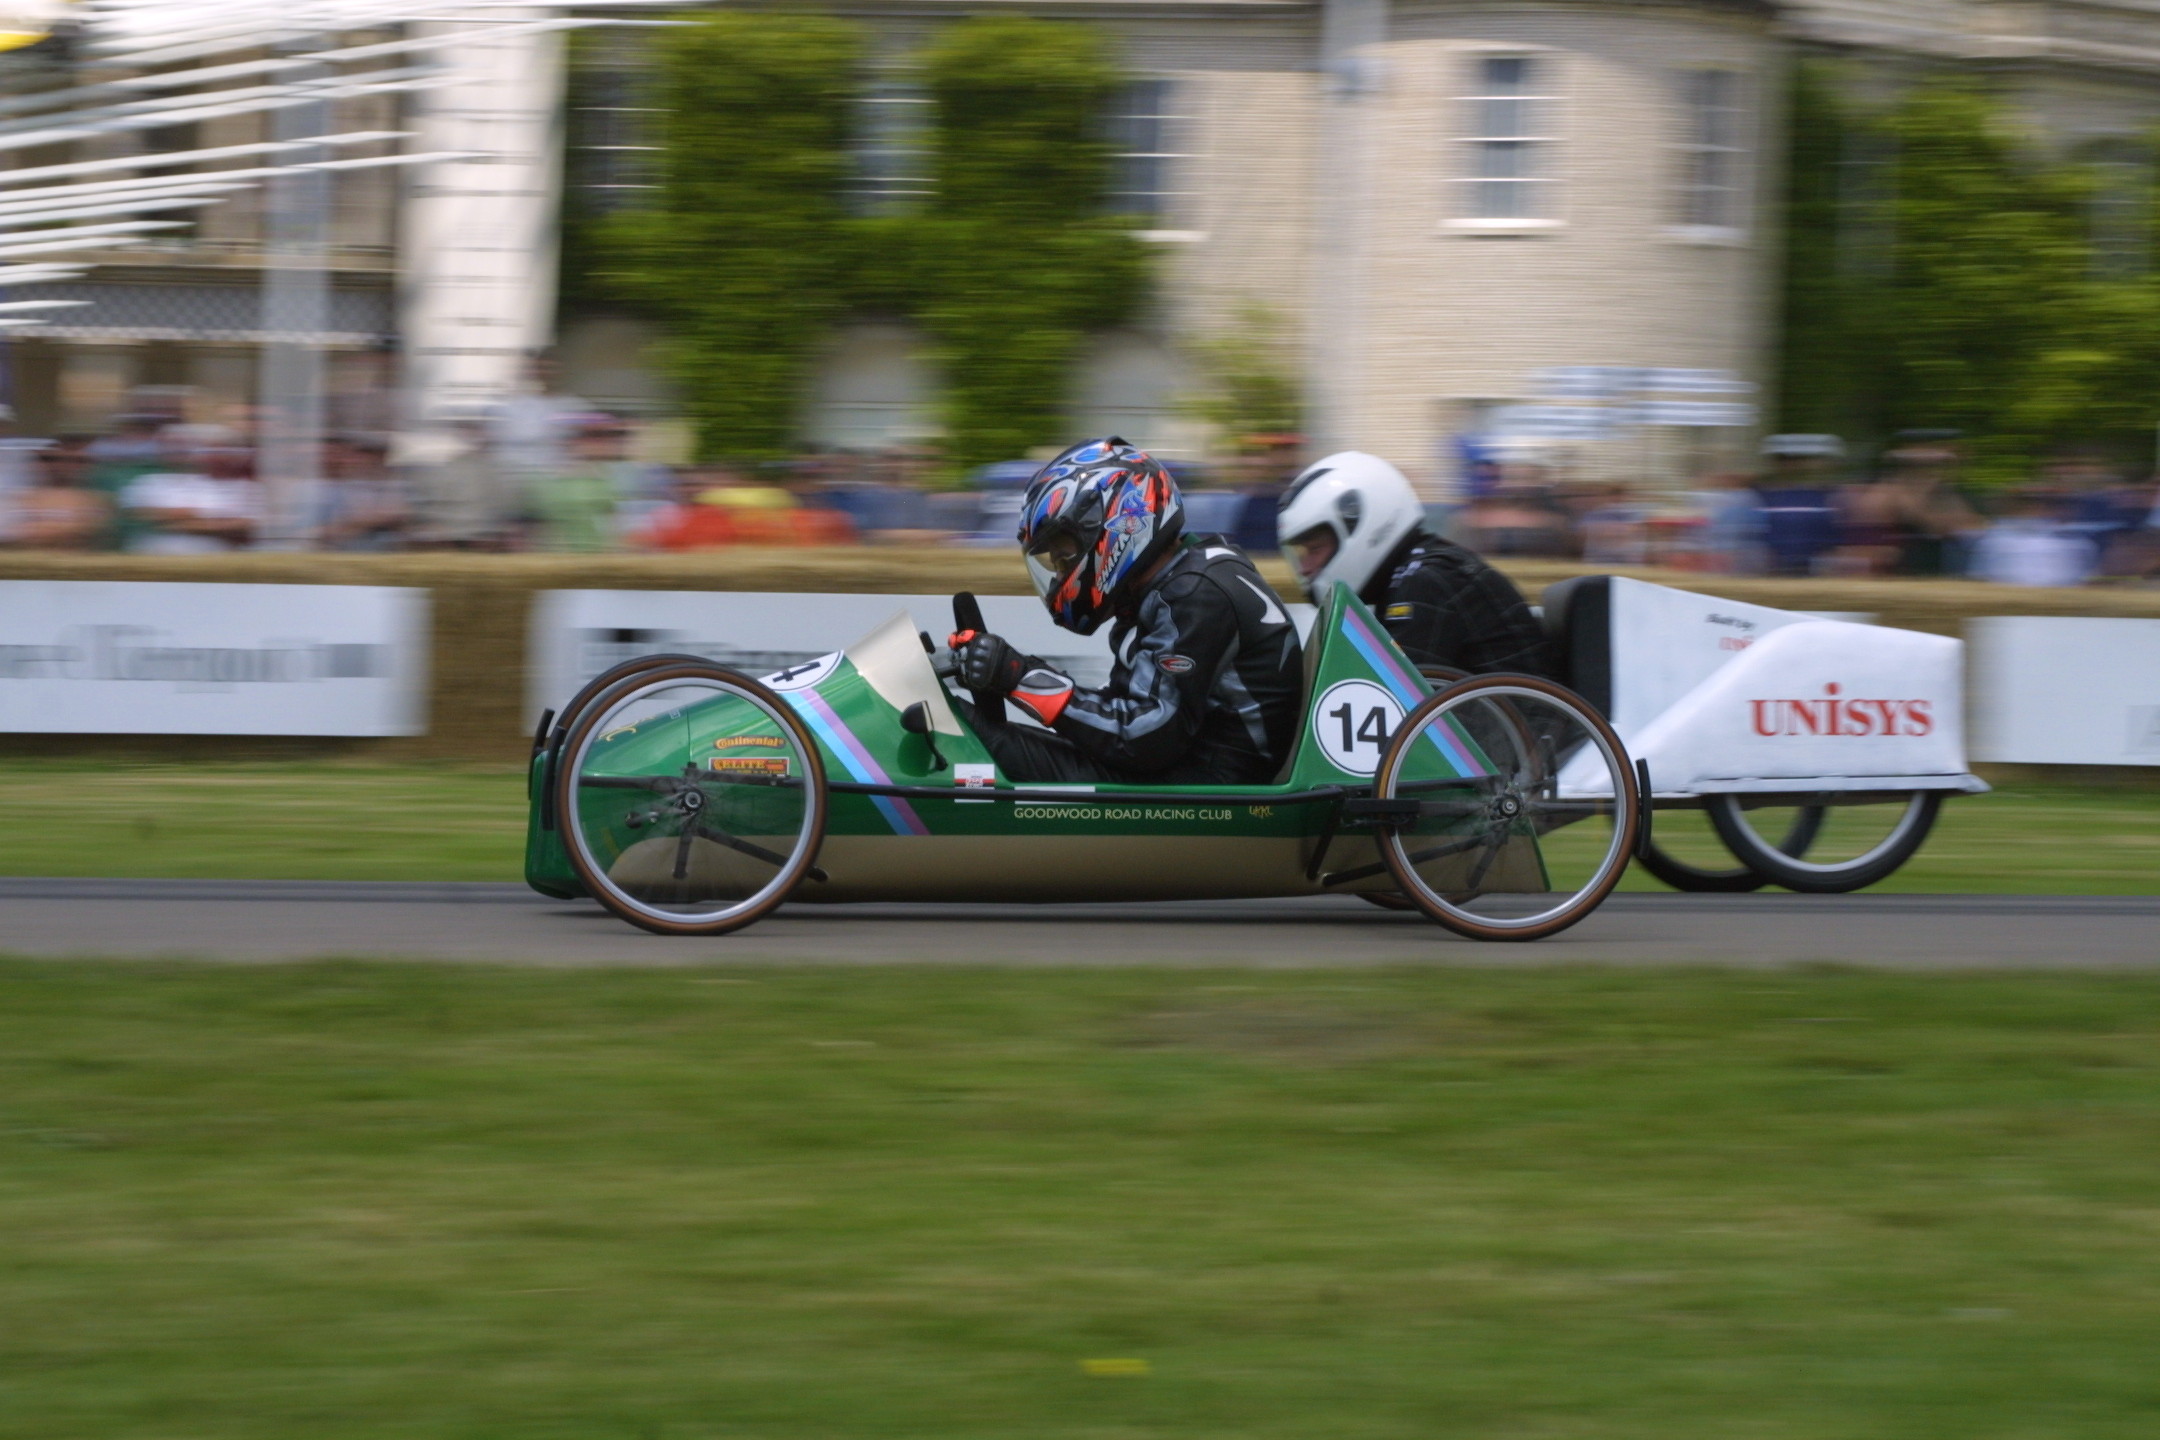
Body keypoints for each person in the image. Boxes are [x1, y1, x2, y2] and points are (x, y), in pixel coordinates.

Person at [945, 437, 1303, 785]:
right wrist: (1009, 673)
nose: (1059, 573)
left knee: (973, 742)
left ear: (1115, 525)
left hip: (1213, 785)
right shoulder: (1177, 581)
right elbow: (1125, 714)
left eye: (1063, 555)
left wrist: (1018, 676)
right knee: (975, 730)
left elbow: (1146, 738)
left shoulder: (1193, 593)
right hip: (1191, 765)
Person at [1275, 451, 1554, 679]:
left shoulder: (1427, 580)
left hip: (1520, 738)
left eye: (1314, 549)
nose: (1305, 567)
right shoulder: (1417, 571)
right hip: (1502, 732)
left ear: (1360, 528)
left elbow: (1397, 701)